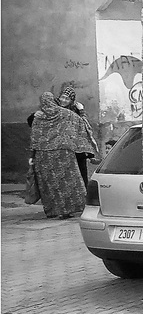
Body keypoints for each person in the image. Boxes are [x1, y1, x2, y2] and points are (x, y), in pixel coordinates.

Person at [29, 91, 95, 219]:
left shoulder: (39, 117)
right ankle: (68, 210)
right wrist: (82, 112)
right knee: (67, 182)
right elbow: (82, 124)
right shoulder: (66, 114)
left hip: (44, 157)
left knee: (50, 185)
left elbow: (35, 138)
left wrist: (32, 155)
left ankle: (53, 210)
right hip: (64, 154)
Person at [56, 84, 98, 181]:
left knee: (80, 173)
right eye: (62, 97)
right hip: (61, 148)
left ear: (71, 101)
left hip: (76, 149)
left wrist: (81, 110)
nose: (63, 100)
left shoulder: (75, 111)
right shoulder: (55, 110)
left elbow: (85, 126)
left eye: (67, 99)